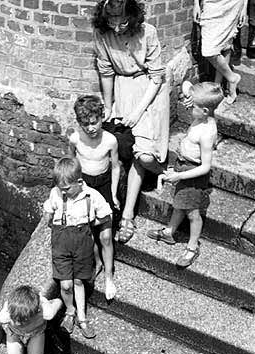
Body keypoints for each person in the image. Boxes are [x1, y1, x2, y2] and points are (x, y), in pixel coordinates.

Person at [93, 0, 170, 244]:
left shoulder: (148, 33)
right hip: (123, 88)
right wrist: (108, 105)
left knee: (145, 156)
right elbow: (106, 71)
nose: (116, 27)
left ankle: (164, 171)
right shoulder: (102, 34)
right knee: (130, 149)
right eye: (111, 21)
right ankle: (127, 216)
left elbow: (157, 77)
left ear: (133, 16)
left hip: (149, 89)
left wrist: (138, 112)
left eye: (122, 21)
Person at [148, 81, 224, 268]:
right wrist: (192, 96)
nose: (189, 108)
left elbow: (205, 167)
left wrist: (180, 175)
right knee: (179, 203)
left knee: (192, 213)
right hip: (184, 166)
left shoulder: (206, 132)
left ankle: (192, 246)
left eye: (194, 107)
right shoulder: (203, 118)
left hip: (192, 172)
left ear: (205, 111)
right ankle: (170, 231)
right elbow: (187, 85)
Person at [43, 156, 113, 339]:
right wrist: (51, 223)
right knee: (65, 285)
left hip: (82, 244)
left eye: (66, 189)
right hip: (61, 244)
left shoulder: (91, 196)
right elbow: (48, 213)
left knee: (79, 281)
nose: (62, 191)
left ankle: (82, 317)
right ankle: (69, 310)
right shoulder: (56, 194)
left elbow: (106, 215)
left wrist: (91, 223)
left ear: (79, 182)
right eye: (60, 188)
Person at [69, 94, 120, 301]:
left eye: (95, 122)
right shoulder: (74, 139)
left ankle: (109, 276)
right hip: (85, 185)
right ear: (79, 123)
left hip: (104, 184)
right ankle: (97, 262)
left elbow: (115, 167)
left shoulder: (110, 140)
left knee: (106, 235)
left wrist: (114, 193)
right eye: (86, 124)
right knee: (89, 232)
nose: (91, 128)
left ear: (101, 118)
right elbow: (71, 165)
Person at [193, 0, 247, 103]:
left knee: (225, 44)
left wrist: (244, 7)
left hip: (233, 4)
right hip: (211, 4)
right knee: (208, 50)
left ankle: (217, 87)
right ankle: (232, 78)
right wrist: (196, 4)